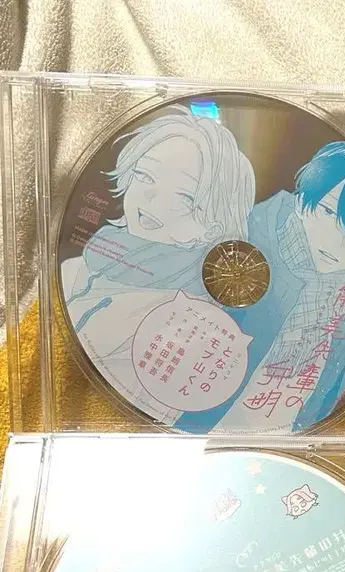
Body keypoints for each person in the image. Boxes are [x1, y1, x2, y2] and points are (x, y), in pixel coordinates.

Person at [181, 141, 345, 432]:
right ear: (302, 202)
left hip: (298, 442)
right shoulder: (244, 233)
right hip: (188, 417)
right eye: (327, 212)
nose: (336, 241)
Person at [61, 107, 255, 422]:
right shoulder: (80, 262)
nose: (152, 198)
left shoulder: (191, 324)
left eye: (184, 197)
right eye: (144, 175)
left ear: (214, 227)